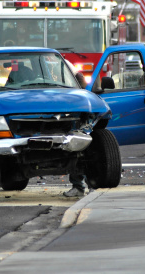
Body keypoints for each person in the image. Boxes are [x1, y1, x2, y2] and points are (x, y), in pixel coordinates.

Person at [63, 59, 88, 197]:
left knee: (78, 148)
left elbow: (82, 81)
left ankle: (80, 186)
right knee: (78, 148)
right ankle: (82, 186)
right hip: (70, 110)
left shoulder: (63, 63)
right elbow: (83, 82)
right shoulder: (64, 62)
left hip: (70, 112)